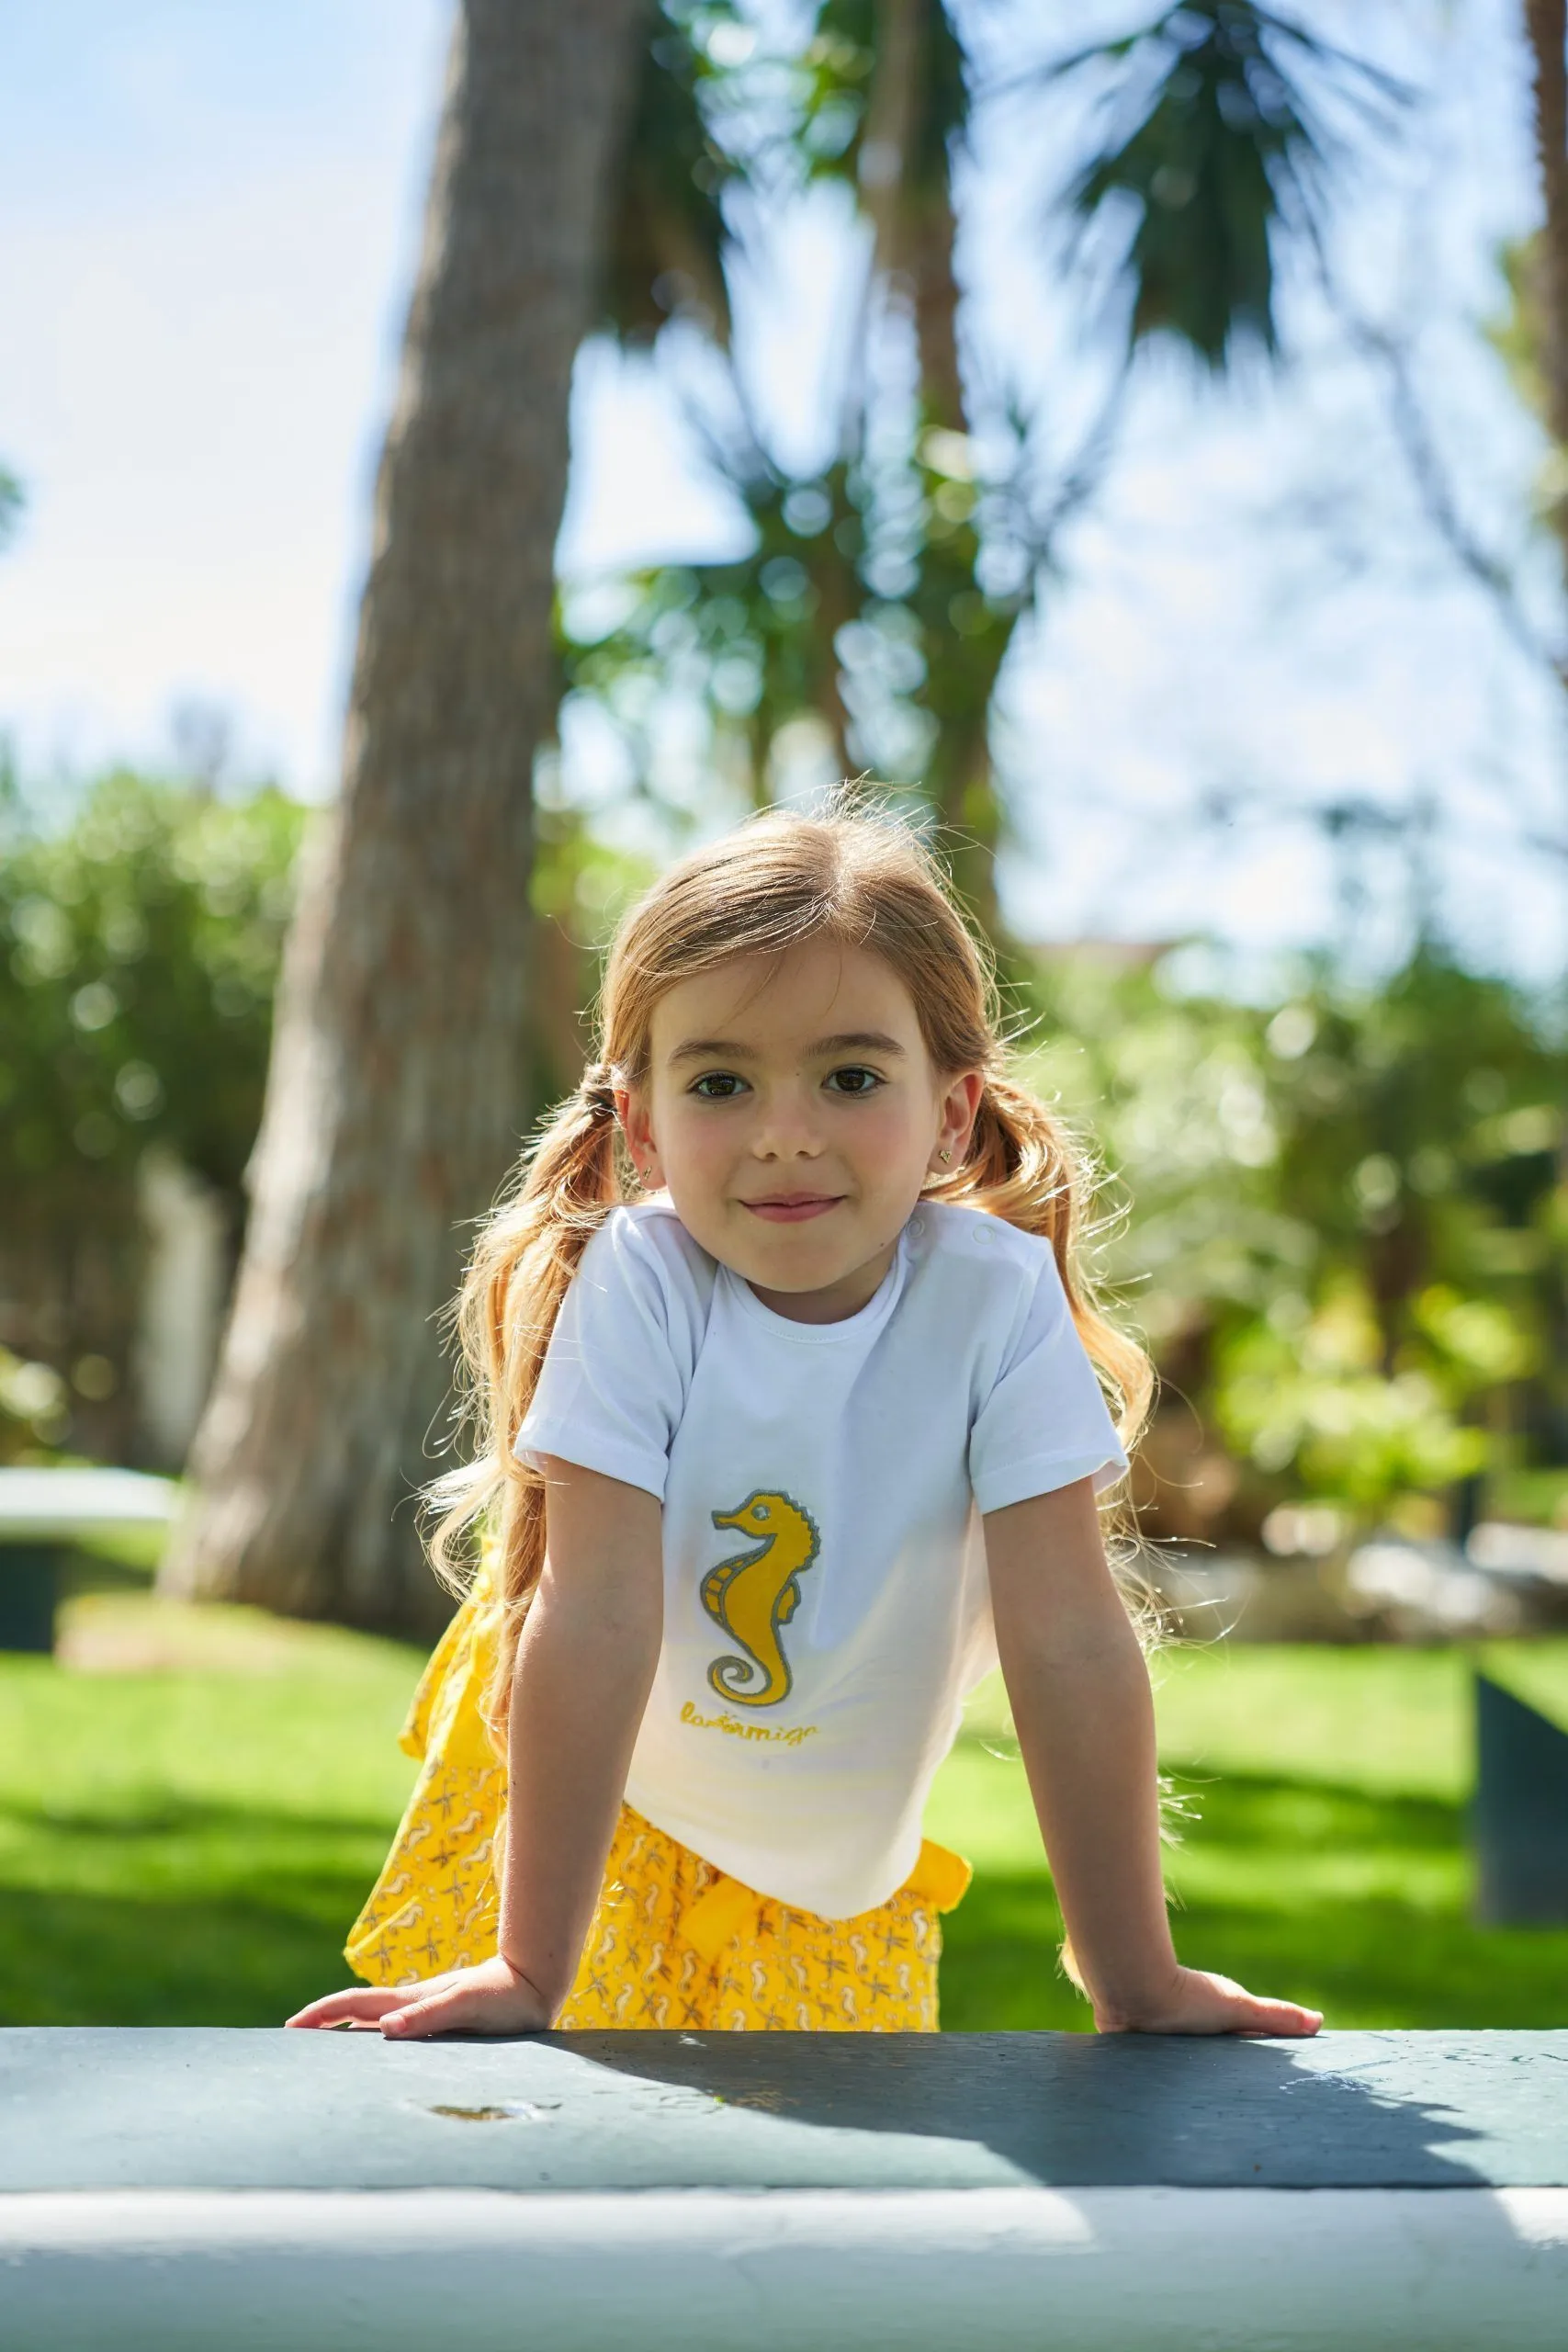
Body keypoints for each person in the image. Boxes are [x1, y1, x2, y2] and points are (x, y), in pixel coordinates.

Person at [288, 804, 1321, 2041]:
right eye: (721, 1081)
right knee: (556, 2180)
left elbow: (1069, 1644)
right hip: (596, 1818)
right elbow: (601, 1614)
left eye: (848, 1076)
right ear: (643, 1125)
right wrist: (527, 1971)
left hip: (834, 1874)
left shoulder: (991, 1299)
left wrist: (1133, 1980)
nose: (786, 1131)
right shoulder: (642, 1281)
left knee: (816, 2209)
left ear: (950, 1108)